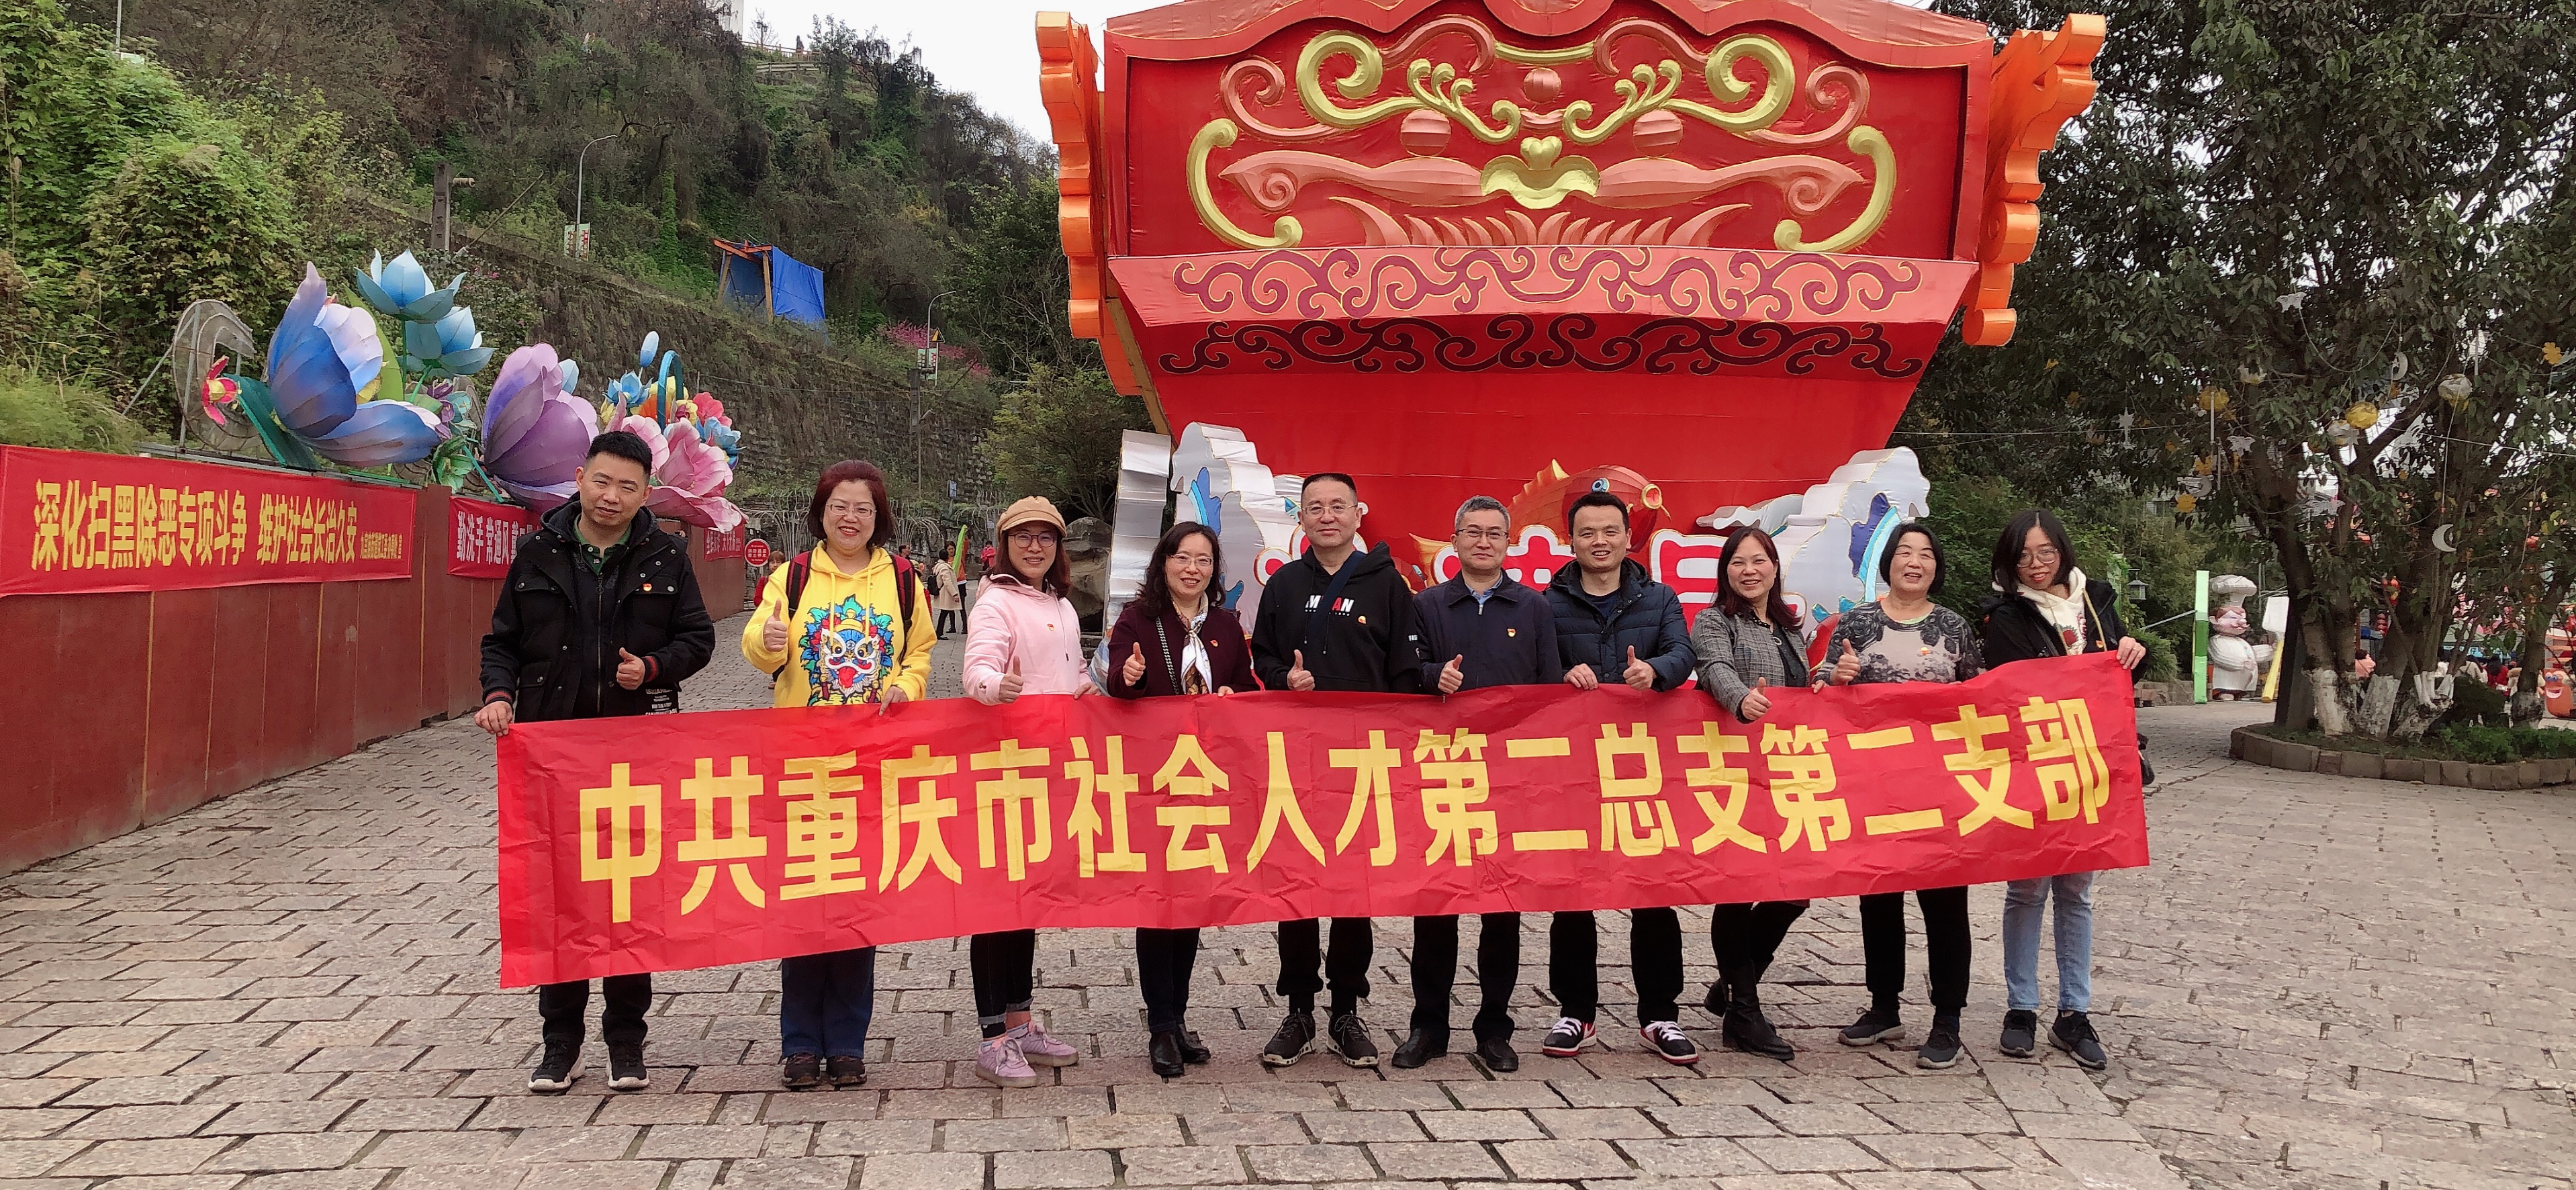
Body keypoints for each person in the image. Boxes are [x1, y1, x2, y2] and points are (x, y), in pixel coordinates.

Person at [478, 430, 716, 1095]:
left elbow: (698, 638)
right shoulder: (538, 551)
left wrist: (655, 667)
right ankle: (560, 1042)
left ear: (646, 494)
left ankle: (625, 1040)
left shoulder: (665, 556)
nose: (612, 496)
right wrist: (498, 695)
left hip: (633, 755)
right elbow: (501, 642)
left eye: (628, 487)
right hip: (552, 755)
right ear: (580, 478)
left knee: (628, 898)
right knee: (561, 900)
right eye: (602, 481)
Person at [741, 459, 935, 1089]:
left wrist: (907, 686)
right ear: (821, 512)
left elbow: (920, 652)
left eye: (863, 509)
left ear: (880, 517)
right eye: (839, 507)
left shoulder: (902, 580)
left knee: (856, 904)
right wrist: (771, 640)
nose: (850, 518)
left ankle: (848, 1041)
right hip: (801, 766)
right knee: (804, 903)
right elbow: (756, 648)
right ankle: (800, 1044)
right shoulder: (792, 576)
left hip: (872, 767)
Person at [1248, 472, 1423, 1068]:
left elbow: (1404, 669)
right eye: (1315, 507)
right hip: (1295, 758)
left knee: (1353, 886)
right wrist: (1284, 678)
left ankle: (1346, 1009)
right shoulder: (1284, 584)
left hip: (1363, 759)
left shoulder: (1388, 584)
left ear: (1358, 514)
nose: (1327, 516)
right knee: (1295, 884)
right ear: (1301, 517)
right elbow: (1262, 655)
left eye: (1338, 506)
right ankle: (1298, 1009)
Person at [1974, 509, 2144, 1072]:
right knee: (2027, 888)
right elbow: (2007, 692)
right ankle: (2021, 1008)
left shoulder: (2097, 600)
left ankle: (2075, 1012)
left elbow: (2118, 677)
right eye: (2024, 555)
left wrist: (2131, 655)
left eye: (2045, 552)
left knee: (2078, 889)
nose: (2036, 564)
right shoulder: (2005, 616)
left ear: (2062, 551)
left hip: (2094, 764)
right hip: (2034, 766)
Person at [1397, 496, 1560, 1074]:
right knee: (1435, 906)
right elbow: (1403, 675)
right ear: (1455, 540)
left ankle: (1494, 1027)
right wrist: (1430, 677)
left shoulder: (1534, 607)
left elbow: (1548, 691)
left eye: (1494, 533)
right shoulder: (1427, 604)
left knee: (1502, 909)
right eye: (1472, 532)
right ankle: (1428, 1026)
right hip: (1444, 773)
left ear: (1508, 542)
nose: (1483, 542)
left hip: (1509, 780)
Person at [1541, 490, 1702, 1065]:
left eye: (1610, 531)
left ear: (1629, 537)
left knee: (1654, 889)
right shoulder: (1547, 602)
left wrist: (1654, 671)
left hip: (1643, 767)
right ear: (1571, 540)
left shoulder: (1658, 598)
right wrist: (1563, 671)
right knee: (1573, 891)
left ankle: (1660, 1015)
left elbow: (1684, 653)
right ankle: (1575, 1012)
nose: (1600, 542)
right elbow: (1536, 666)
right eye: (1588, 532)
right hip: (1574, 767)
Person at [1825, 522, 1982, 1070]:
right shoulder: (1858, 622)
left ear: (1936, 567)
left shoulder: (1953, 627)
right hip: (1875, 784)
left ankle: (1948, 1018)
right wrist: (1838, 676)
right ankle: (1884, 1006)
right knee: (1879, 896)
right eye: (1905, 552)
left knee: (1945, 903)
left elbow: (1982, 696)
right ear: (1888, 562)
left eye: (1926, 554)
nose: (1915, 562)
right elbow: (1820, 686)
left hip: (1941, 786)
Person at [1106, 521, 1259, 1077]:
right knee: (1159, 902)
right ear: (1163, 562)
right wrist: (1129, 675)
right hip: (1154, 778)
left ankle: (1178, 1015)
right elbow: (1115, 687)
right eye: (1183, 558)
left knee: (1190, 902)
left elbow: (1246, 685)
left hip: (1205, 781)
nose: (1193, 569)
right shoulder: (1137, 619)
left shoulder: (1225, 624)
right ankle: (1161, 1026)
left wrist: (1234, 693)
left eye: (1204, 560)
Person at [959, 497, 1094, 1087]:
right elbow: (977, 670)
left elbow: (1074, 673)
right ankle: (992, 1036)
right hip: (1005, 768)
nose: (1034, 547)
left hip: (1049, 769)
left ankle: (1019, 1022)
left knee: (1027, 900)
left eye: (1046, 537)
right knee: (997, 901)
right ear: (1005, 544)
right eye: (1023, 537)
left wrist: (1098, 684)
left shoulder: (1060, 604)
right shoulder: (996, 601)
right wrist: (997, 686)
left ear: (1058, 547)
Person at [1686, 526, 1810, 1062]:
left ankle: (1734, 985)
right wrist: (1740, 699)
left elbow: (1800, 692)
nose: (1749, 570)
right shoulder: (1716, 621)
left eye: (1759, 561)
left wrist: (1831, 678)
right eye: (1738, 562)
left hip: (1784, 773)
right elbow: (1714, 668)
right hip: (1732, 769)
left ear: (1775, 568)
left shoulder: (1790, 628)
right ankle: (1744, 1012)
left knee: (1796, 888)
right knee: (1738, 886)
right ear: (1726, 571)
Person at [933, 548, 964, 638]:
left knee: (944, 613)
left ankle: (939, 631)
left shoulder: (938, 566)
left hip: (943, 593)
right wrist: (954, 594)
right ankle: (939, 632)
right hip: (946, 594)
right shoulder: (944, 568)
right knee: (944, 613)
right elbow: (948, 582)